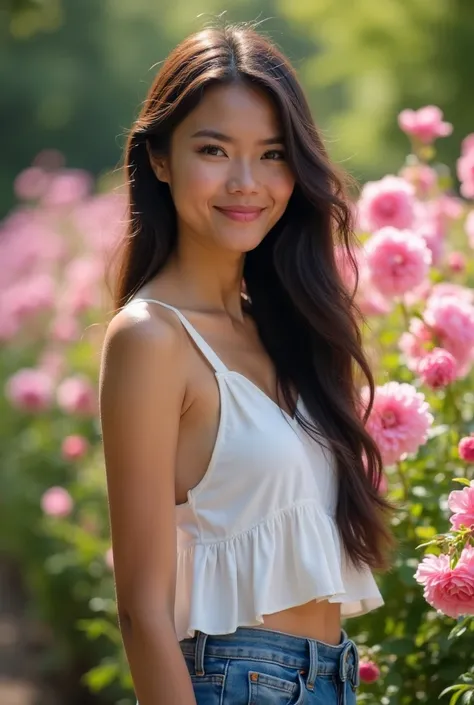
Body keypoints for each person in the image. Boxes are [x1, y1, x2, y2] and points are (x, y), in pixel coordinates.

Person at [99, 22, 394, 705]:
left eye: (271, 154)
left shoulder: (284, 327)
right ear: (162, 159)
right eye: (214, 150)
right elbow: (142, 610)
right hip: (234, 685)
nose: (245, 183)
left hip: (330, 679)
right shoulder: (151, 338)